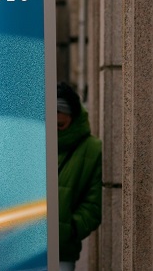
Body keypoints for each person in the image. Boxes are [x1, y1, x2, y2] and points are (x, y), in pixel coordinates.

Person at [57, 81, 102, 271]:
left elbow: (93, 207)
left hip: (62, 253)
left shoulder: (91, 149)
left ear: (73, 119)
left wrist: (68, 229)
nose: (53, 131)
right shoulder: (29, 142)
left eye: (60, 125)